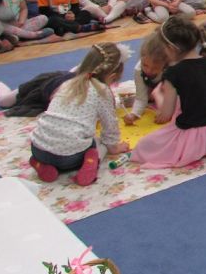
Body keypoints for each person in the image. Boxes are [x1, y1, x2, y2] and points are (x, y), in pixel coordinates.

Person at [131, 16, 206, 168]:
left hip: (199, 133)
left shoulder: (173, 73)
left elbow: (167, 114)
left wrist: (158, 95)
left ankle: (202, 147)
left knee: (145, 146)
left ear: (171, 48)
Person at [28, 42, 130, 185]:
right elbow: (110, 126)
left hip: (38, 148)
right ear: (112, 76)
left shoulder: (67, 84)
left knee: (61, 142)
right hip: (70, 158)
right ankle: (91, 162)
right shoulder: (102, 90)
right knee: (100, 142)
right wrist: (114, 147)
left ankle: (41, 164)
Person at [123, 30, 169, 124]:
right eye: (145, 65)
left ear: (165, 64)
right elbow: (141, 98)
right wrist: (134, 114)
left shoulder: (170, 69)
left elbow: (175, 96)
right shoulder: (139, 70)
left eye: (155, 68)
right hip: (151, 95)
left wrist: (166, 111)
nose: (149, 71)